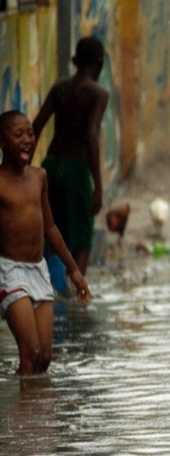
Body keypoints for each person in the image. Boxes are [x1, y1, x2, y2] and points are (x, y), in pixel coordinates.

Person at [0, 110, 91, 375]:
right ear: (2, 143)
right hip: (9, 273)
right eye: (18, 134)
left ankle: (34, 411)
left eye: (30, 133)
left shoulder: (39, 177)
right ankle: (26, 414)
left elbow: (50, 227)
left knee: (45, 358)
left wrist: (73, 270)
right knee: (31, 353)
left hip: (39, 271)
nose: (27, 139)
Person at [33, 36, 109, 276]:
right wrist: (98, 185)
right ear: (99, 64)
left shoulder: (59, 88)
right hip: (76, 170)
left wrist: (21, 170)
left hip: (51, 166)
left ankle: (49, 290)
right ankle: (78, 301)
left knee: (53, 230)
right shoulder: (98, 94)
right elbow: (92, 135)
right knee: (82, 238)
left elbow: (36, 126)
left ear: (76, 61)